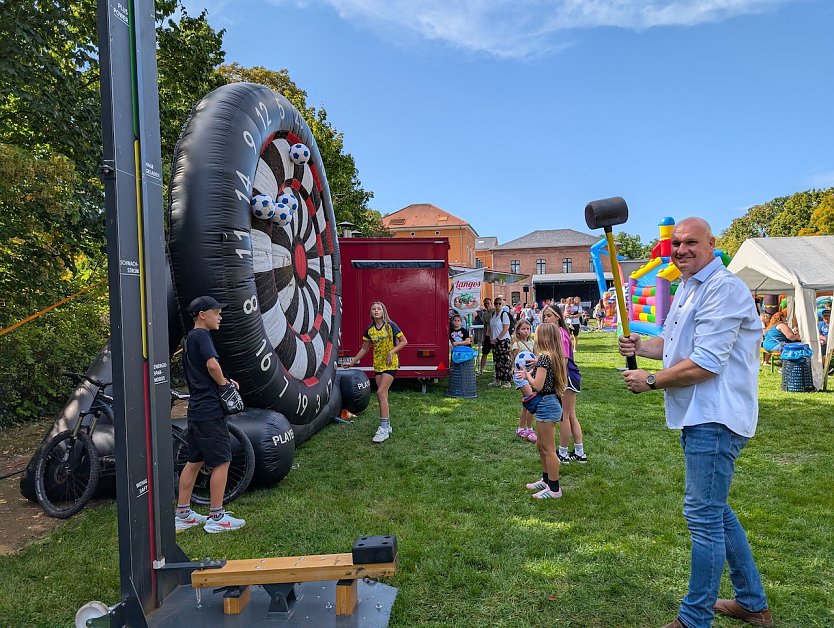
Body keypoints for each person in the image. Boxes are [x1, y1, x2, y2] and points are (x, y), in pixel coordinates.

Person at [618, 217, 772, 628]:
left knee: (703, 515)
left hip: (716, 417)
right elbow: (672, 346)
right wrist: (641, 347)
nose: (681, 249)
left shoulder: (723, 289)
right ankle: (753, 603)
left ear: (711, 243)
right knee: (716, 512)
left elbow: (705, 363)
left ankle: (694, 618)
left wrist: (649, 381)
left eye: (691, 242)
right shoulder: (688, 288)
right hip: (698, 416)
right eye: (677, 243)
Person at [176, 296, 246, 534]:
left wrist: (223, 381)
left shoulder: (189, 339)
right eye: (216, 312)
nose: (220, 317)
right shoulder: (202, 335)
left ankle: (183, 513)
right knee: (222, 460)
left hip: (196, 408)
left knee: (194, 461)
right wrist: (225, 385)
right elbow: (212, 366)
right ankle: (217, 517)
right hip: (209, 410)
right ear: (202, 314)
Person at [515, 322, 567, 499]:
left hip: (547, 404)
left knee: (549, 449)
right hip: (550, 402)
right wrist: (538, 364)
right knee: (541, 445)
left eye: (537, 334)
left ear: (543, 337)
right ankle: (546, 480)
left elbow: (537, 384)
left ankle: (554, 489)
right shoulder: (552, 356)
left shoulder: (545, 358)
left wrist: (526, 374)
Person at [343, 301, 408, 443]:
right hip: (378, 365)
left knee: (380, 393)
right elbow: (364, 349)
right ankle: (388, 425)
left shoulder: (391, 326)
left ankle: (383, 428)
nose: (376, 310)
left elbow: (404, 341)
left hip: (391, 364)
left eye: (379, 308)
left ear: (383, 311)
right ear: (371, 313)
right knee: (382, 396)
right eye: (374, 309)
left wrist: (392, 351)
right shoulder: (370, 330)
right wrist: (352, 362)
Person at [541, 304, 586, 463]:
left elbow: (563, 361)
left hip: (567, 377)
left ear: (558, 317)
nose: (546, 319)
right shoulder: (558, 334)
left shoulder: (560, 334)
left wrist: (556, 380)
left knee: (564, 417)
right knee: (571, 415)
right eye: (545, 316)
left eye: (549, 316)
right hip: (568, 377)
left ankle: (563, 453)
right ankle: (579, 452)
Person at [511, 319, 538, 442]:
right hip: (520, 375)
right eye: (523, 329)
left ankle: (521, 428)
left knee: (526, 405)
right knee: (531, 399)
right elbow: (516, 360)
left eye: (528, 329)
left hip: (531, 374)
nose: (526, 331)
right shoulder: (516, 343)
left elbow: (536, 357)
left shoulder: (533, 342)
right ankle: (529, 429)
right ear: (518, 330)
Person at [488, 296, 513, 387]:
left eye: (500, 303)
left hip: (503, 341)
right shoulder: (493, 314)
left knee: (505, 361)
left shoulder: (504, 314)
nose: (498, 305)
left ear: (502, 305)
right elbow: (491, 327)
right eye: (496, 303)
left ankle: (507, 381)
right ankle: (497, 380)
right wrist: (491, 338)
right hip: (495, 341)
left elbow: (506, 328)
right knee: (497, 361)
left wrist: (498, 339)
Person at [477, 298, 494, 375]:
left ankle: (497, 371)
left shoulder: (495, 311)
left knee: (496, 354)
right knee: (484, 353)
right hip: (488, 336)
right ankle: (481, 370)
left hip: (495, 336)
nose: (487, 305)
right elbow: (485, 326)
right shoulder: (485, 314)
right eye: (485, 304)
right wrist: (484, 337)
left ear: (491, 303)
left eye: (488, 303)